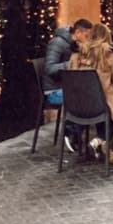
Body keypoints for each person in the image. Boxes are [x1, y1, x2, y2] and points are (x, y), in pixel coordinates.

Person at [69, 23, 113, 164]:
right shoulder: (110, 55)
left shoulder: (76, 55)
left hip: (77, 106)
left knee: (109, 107)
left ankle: (102, 144)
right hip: (100, 106)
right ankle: (100, 140)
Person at [42, 18, 93, 149]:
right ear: (78, 32)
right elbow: (50, 68)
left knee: (94, 94)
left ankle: (79, 132)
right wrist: (72, 64)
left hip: (68, 87)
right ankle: (71, 132)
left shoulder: (73, 44)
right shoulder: (57, 43)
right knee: (85, 98)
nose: (87, 39)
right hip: (53, 91)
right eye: (86, 36)